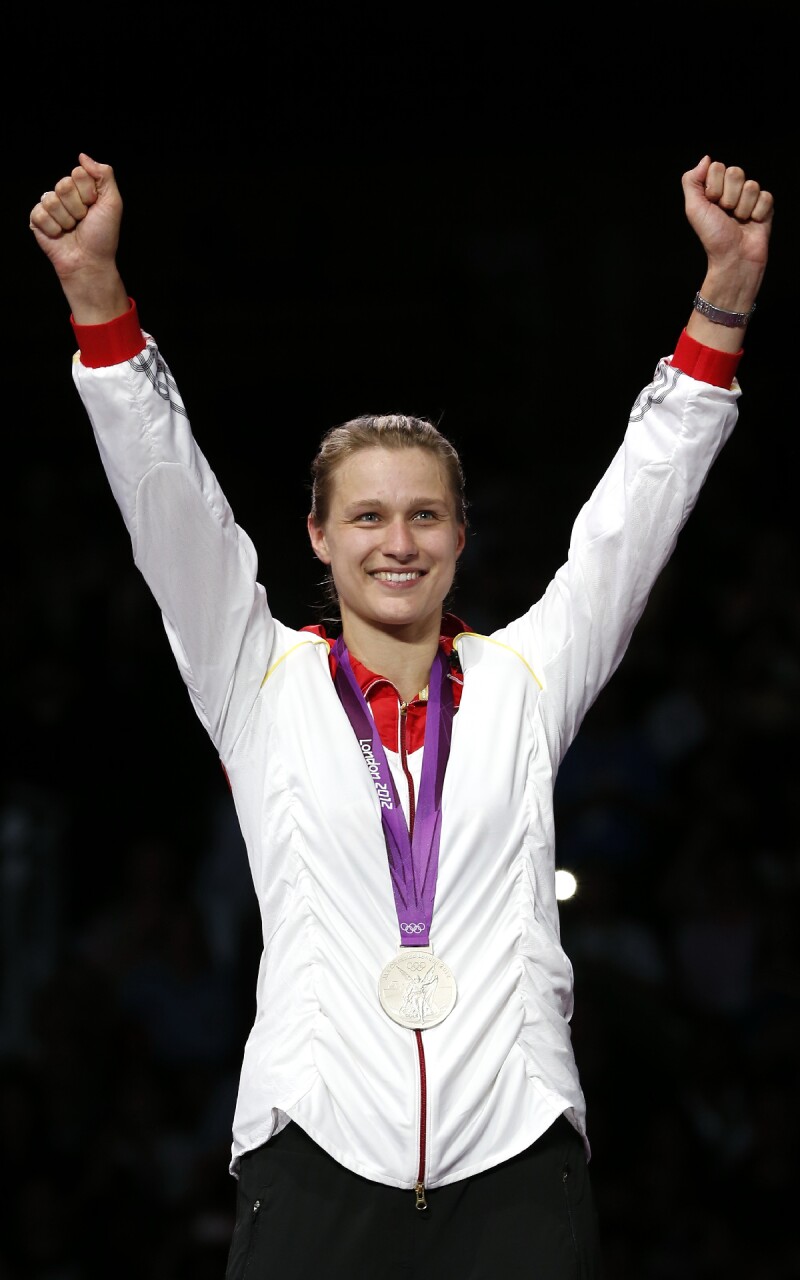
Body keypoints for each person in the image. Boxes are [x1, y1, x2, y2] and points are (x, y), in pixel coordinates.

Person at [28, 150, 773, 1279]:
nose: (398, 540)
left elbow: (635, 513)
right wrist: (96, 295)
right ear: (319, 538)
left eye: (425, 514)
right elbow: (164, 497)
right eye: (366, 514)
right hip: (313, 1158)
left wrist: (721, 295)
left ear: (460, 536)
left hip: (516, 1165)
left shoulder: (524, 680)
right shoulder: (259, 680)